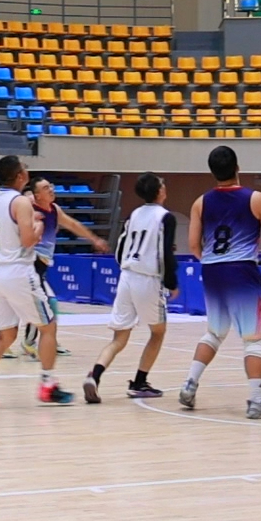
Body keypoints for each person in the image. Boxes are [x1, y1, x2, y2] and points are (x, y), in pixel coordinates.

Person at [179, 145, 261, 419]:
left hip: (212, 270)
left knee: (214, 332)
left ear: (212, 172)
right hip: (241, 270)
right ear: (237, 167)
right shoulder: (256, 199)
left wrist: (214, 261)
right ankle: (256, 401)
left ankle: (189, 384)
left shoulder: (200, 203)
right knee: (253, 339)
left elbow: (193, 245)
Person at [0, 155, 67, 406]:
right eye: (25, 169)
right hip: (18, 271)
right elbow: (28, 240)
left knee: (6, 335)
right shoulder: (20, 201)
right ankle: (48, 385)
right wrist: (38, 226)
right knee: (48, 327)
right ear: (20, 176)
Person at [83, 173, 178, 403]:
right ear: (159, 191)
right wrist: (171, 282)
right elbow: (166, 253)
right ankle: (139, 382)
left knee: (119, 338)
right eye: (162, 184)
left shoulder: (133, 214)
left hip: (127, 276)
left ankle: (94, 376)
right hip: (148, 279)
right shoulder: (166, 217)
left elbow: (120, 249)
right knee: (158, 332)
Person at [9, 179, 107, 359]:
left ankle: (43, 340)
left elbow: (73, 225)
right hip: (28, 262)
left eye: (51, 186)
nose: (51, 190)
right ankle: (29, 342)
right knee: (43, 302)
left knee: (41, 303)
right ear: (37, 195)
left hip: (42, 264)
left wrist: (94, 239)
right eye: (46, 188)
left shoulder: (54, 210)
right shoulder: (27, 206)